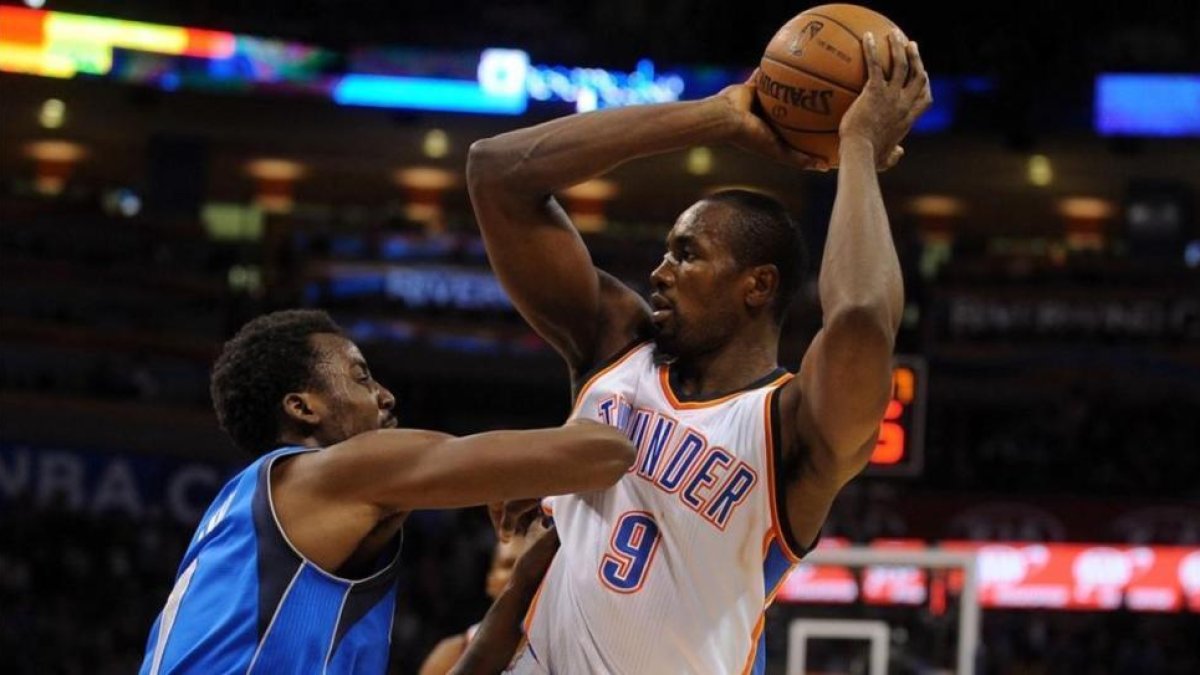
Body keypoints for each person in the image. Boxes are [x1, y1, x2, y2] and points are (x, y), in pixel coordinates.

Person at [466, 30, 930, 674]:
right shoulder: (614, 346)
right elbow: (497, 172)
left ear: (757, 285)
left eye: (686, 254)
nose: (658, 271)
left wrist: (855, 143)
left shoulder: (790, 427)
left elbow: (859, 319)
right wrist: (719, 116)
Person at [138, 309, 635, 675]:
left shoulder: (248, 508)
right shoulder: (336, 472)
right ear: (303, 408)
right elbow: (604, 453)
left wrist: (523, 582)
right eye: (360, 377)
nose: (385, 395)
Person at [419, 518, 546, 675]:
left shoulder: (559, 642)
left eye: (524, 564)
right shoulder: (453, 653)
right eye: (508, 565)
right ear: (490, 581)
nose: (518, 573)